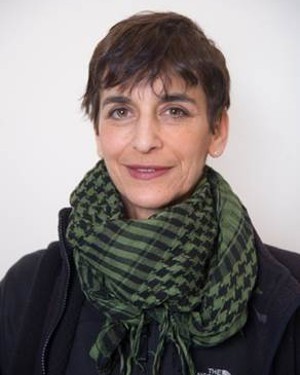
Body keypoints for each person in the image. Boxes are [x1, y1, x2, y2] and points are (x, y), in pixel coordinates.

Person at [0, 11, 299, 375]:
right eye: (121, 111)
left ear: (217, 131)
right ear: (98, 133)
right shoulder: (28, 288)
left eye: (174, 110)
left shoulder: (290, 293)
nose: (144, 141)